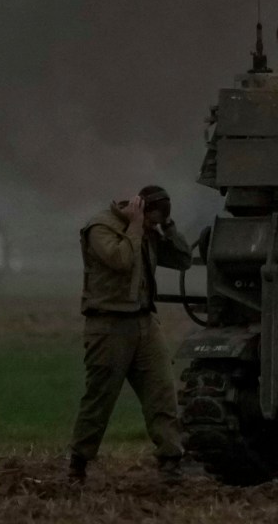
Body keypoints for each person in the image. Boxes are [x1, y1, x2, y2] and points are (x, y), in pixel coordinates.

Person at [68, 184, 195, 481]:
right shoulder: (101, 227)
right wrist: (136, 226)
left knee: (162, 392)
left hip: (145, 323)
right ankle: (79, 461)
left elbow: (183, 260)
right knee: (100, 398)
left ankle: (170, 460)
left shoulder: (149, 230)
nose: (153, 225)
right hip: (108, 326)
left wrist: (167, 227)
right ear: (138, 208)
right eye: (151, 217)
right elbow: (121, 259)